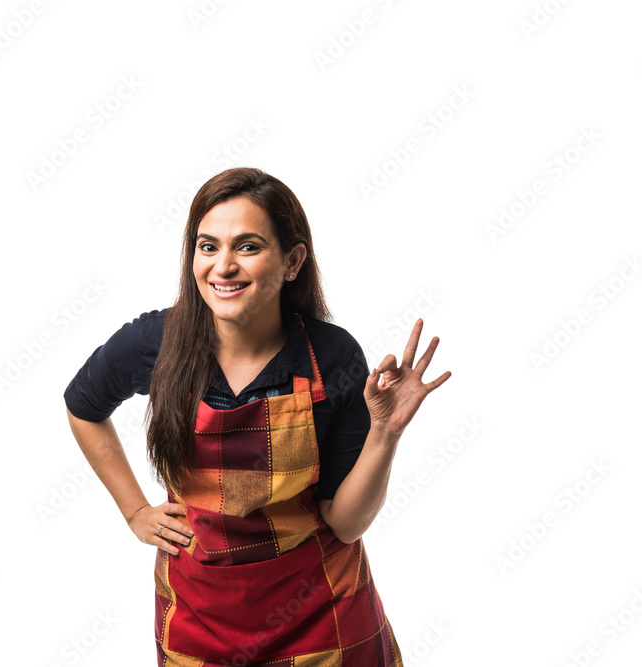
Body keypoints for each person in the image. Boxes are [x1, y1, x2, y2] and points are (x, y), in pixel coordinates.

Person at [63, 167, 450, 666]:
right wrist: (135, 511)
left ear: (292, 262)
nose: (223, 266)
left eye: (247, 247)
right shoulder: (153, 343)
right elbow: (83, 406)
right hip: (199, 615)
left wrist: (385, 433)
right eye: (208, 246)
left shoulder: (332, 356)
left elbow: (346, 522)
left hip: (320, 614)